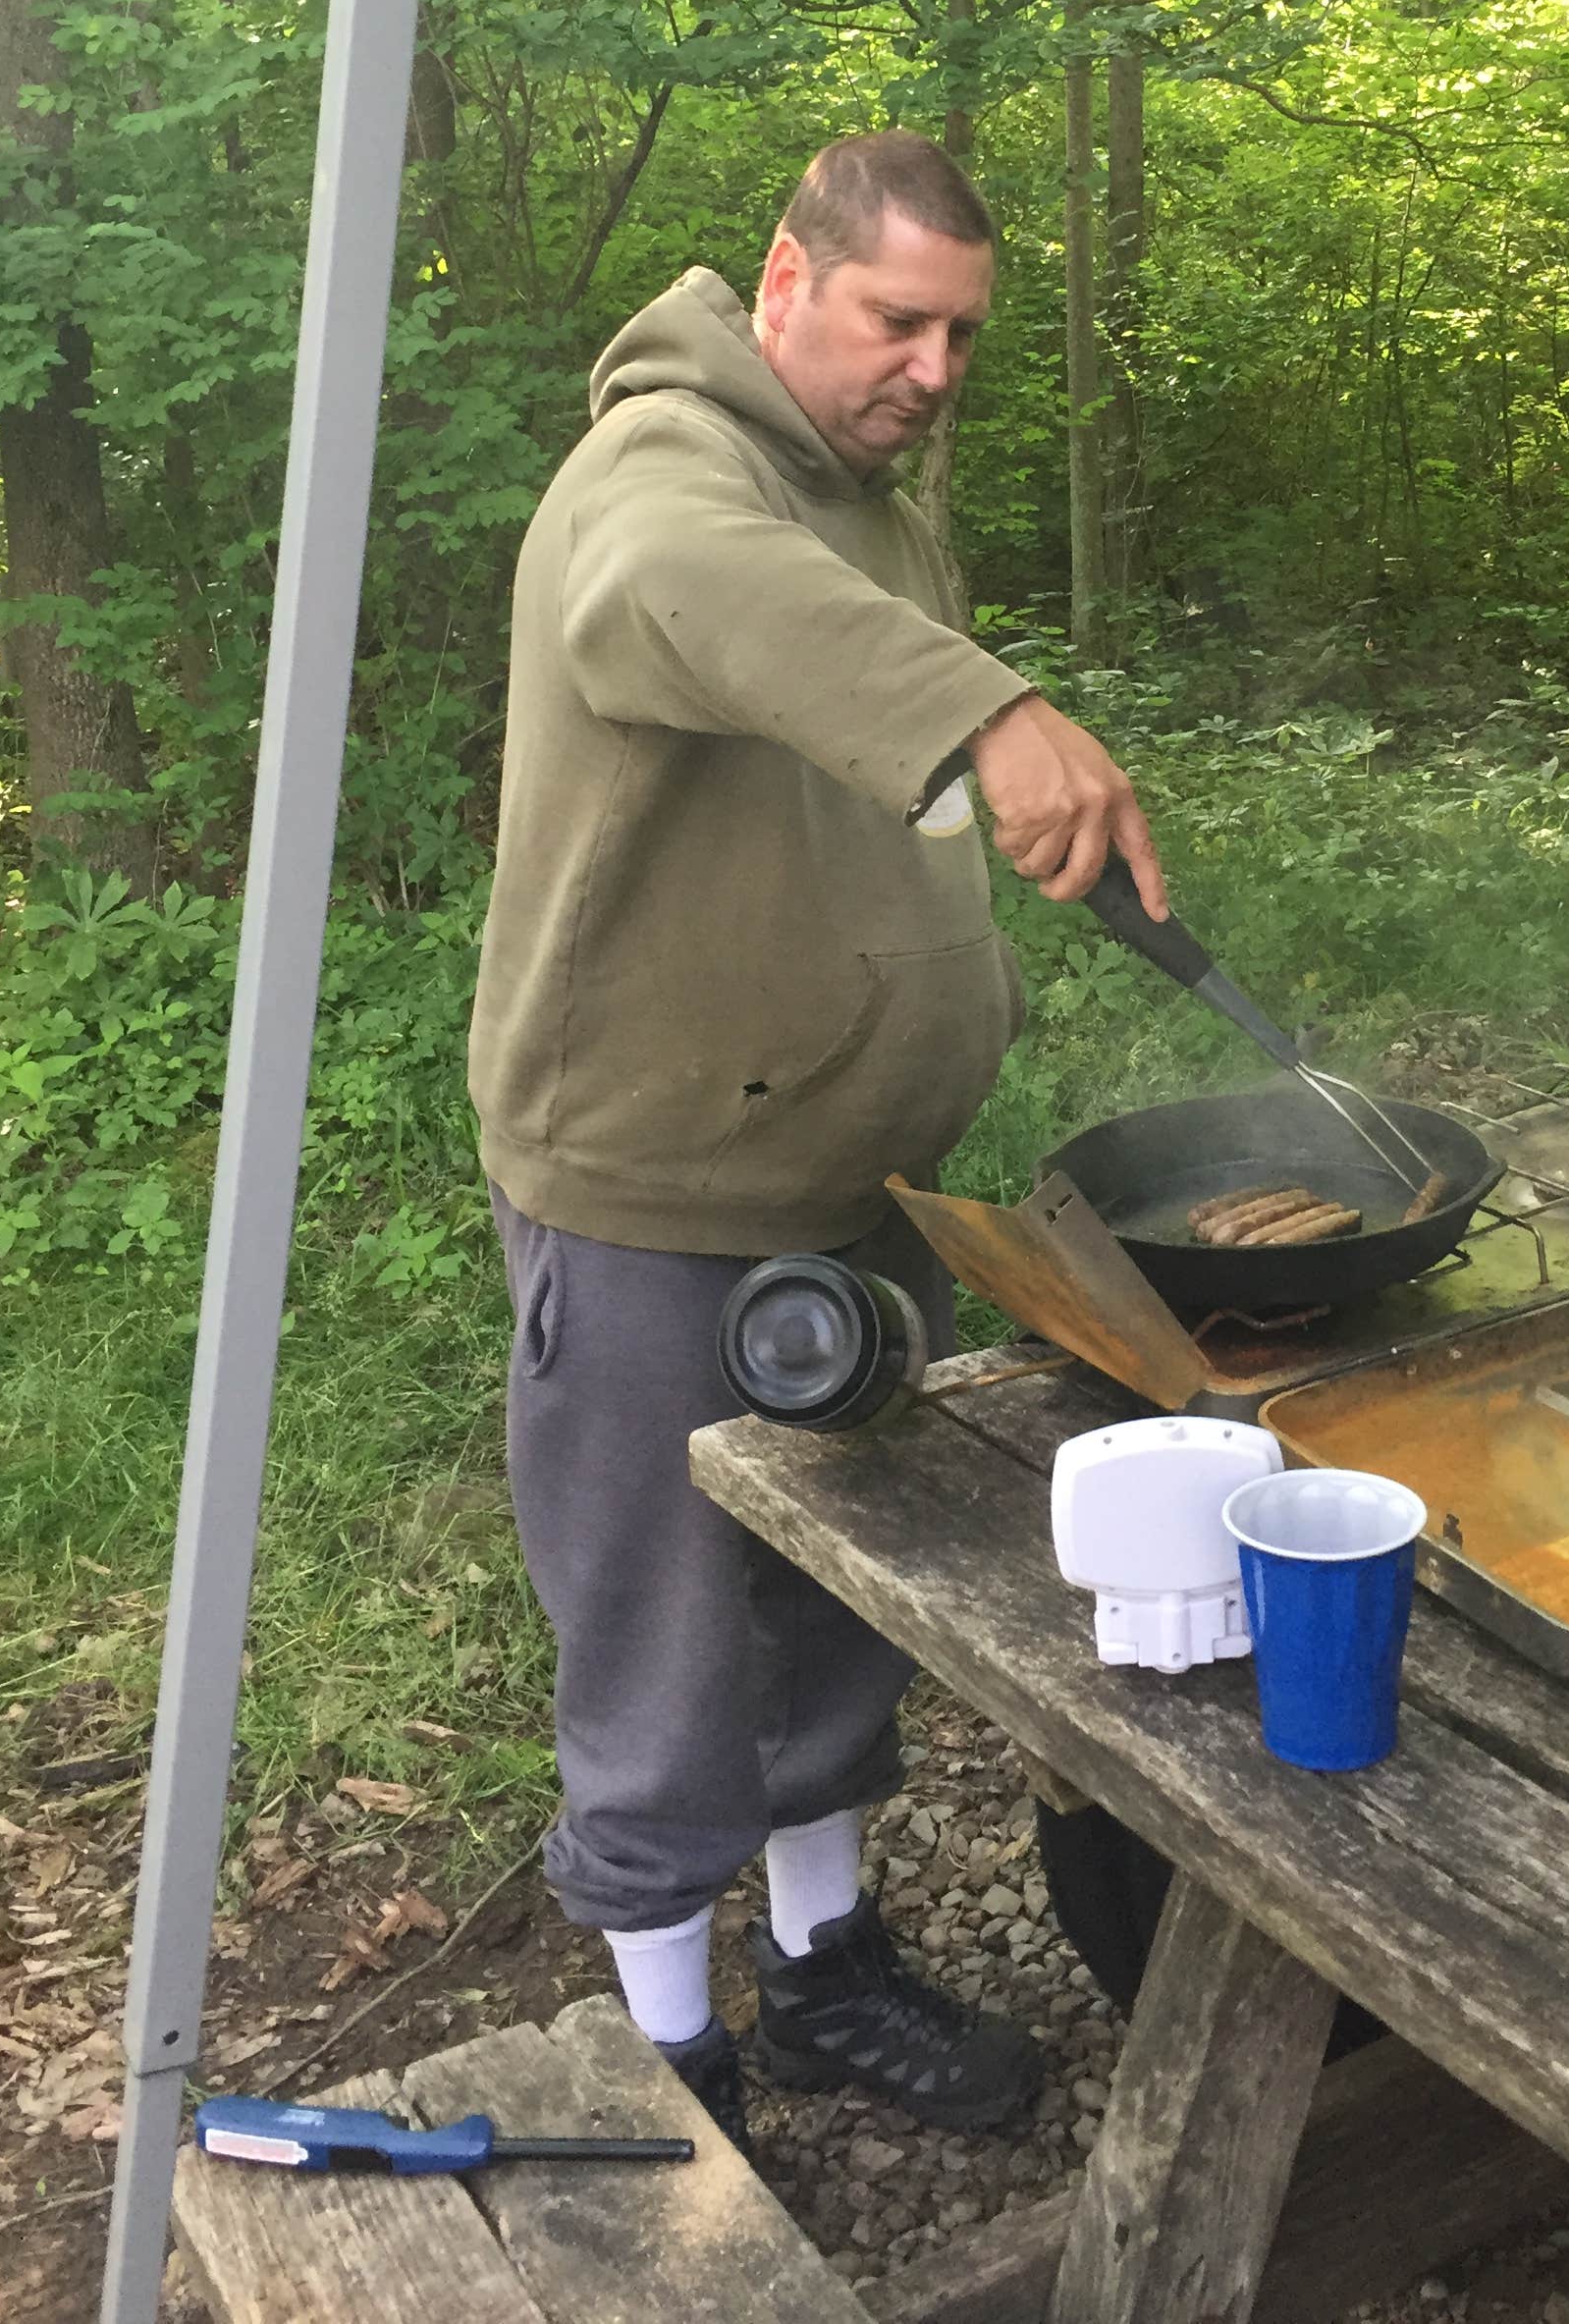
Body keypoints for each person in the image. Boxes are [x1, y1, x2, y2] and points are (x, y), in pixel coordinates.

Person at [468, 129, 1165, 2141]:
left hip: (841, 1177)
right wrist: (986, 715)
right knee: (667, 1640)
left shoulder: (860, 490)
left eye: (963, 333)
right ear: (786, 285)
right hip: (655, 1188)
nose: (936, 368)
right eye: (897, 321)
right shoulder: (659, 475)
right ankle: (673, 2065)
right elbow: (695, 594)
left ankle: (830, 1966)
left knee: (836, 1605)